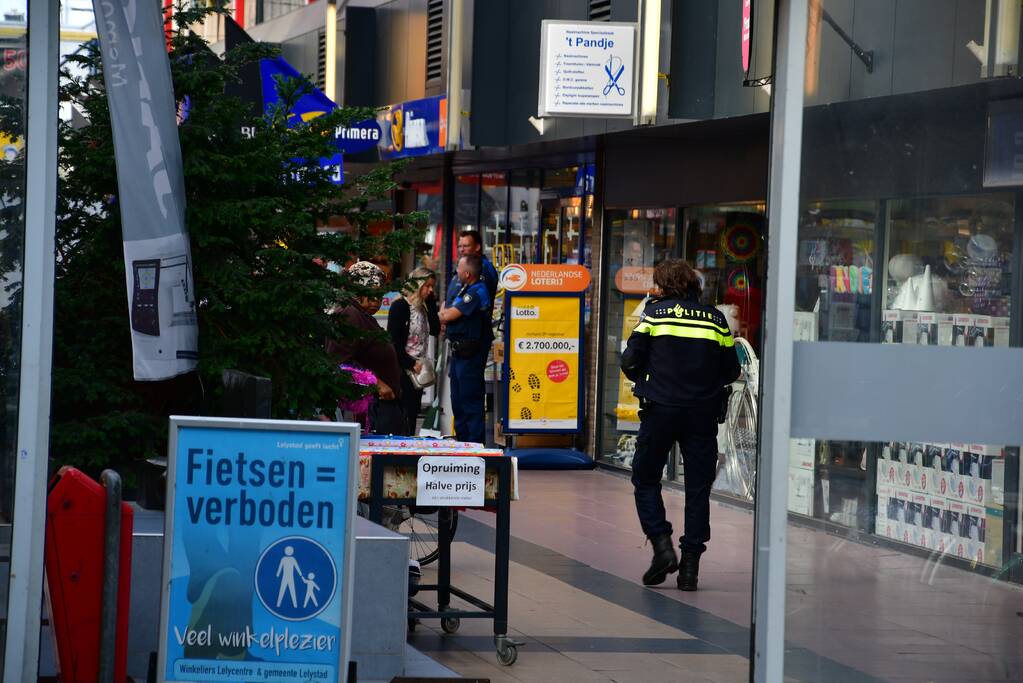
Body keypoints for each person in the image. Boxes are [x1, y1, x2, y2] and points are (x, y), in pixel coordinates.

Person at [621, 258, 740, 591]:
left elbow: (630, 361)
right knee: (697, 489)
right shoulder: (716, 319)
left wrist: (651, 375)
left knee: (645, 478)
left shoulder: (655, 315)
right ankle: (690, 569)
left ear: (663, 285)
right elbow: (731, 370)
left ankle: (661, 545)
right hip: (701, 414)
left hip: (659, 410)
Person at [326, 261, 408, 435]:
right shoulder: (350, 314)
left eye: (379, 295)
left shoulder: (361, 314)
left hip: (380, 407)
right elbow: (340, 362)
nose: (376, 301)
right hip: (369, 411)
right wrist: (377, 384)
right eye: (371, 295)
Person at [439, 254, 490, 444]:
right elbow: (446, 310)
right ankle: (462, 442)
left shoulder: (476, 292)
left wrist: (444, 315)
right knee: (457, 401)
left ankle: (475, 445)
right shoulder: (463, 288)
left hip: (471, 356)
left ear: (467, 273)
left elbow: (449, 315)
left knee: (470, 401)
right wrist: (444, 314)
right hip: (458, 354)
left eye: (459, 268)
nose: (456, 272)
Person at [387, 267, 440, 435]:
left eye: (432, 287)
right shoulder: (400, 306)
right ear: (418, 285)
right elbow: (393, 342)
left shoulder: (422, 307)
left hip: (418, 370)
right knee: (404, 414)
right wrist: (409, 363)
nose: (430, 290)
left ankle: (408, 444)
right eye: (427, 286)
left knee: (413, 413)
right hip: (404, 369)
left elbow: (435, 329)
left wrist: (431, 302)